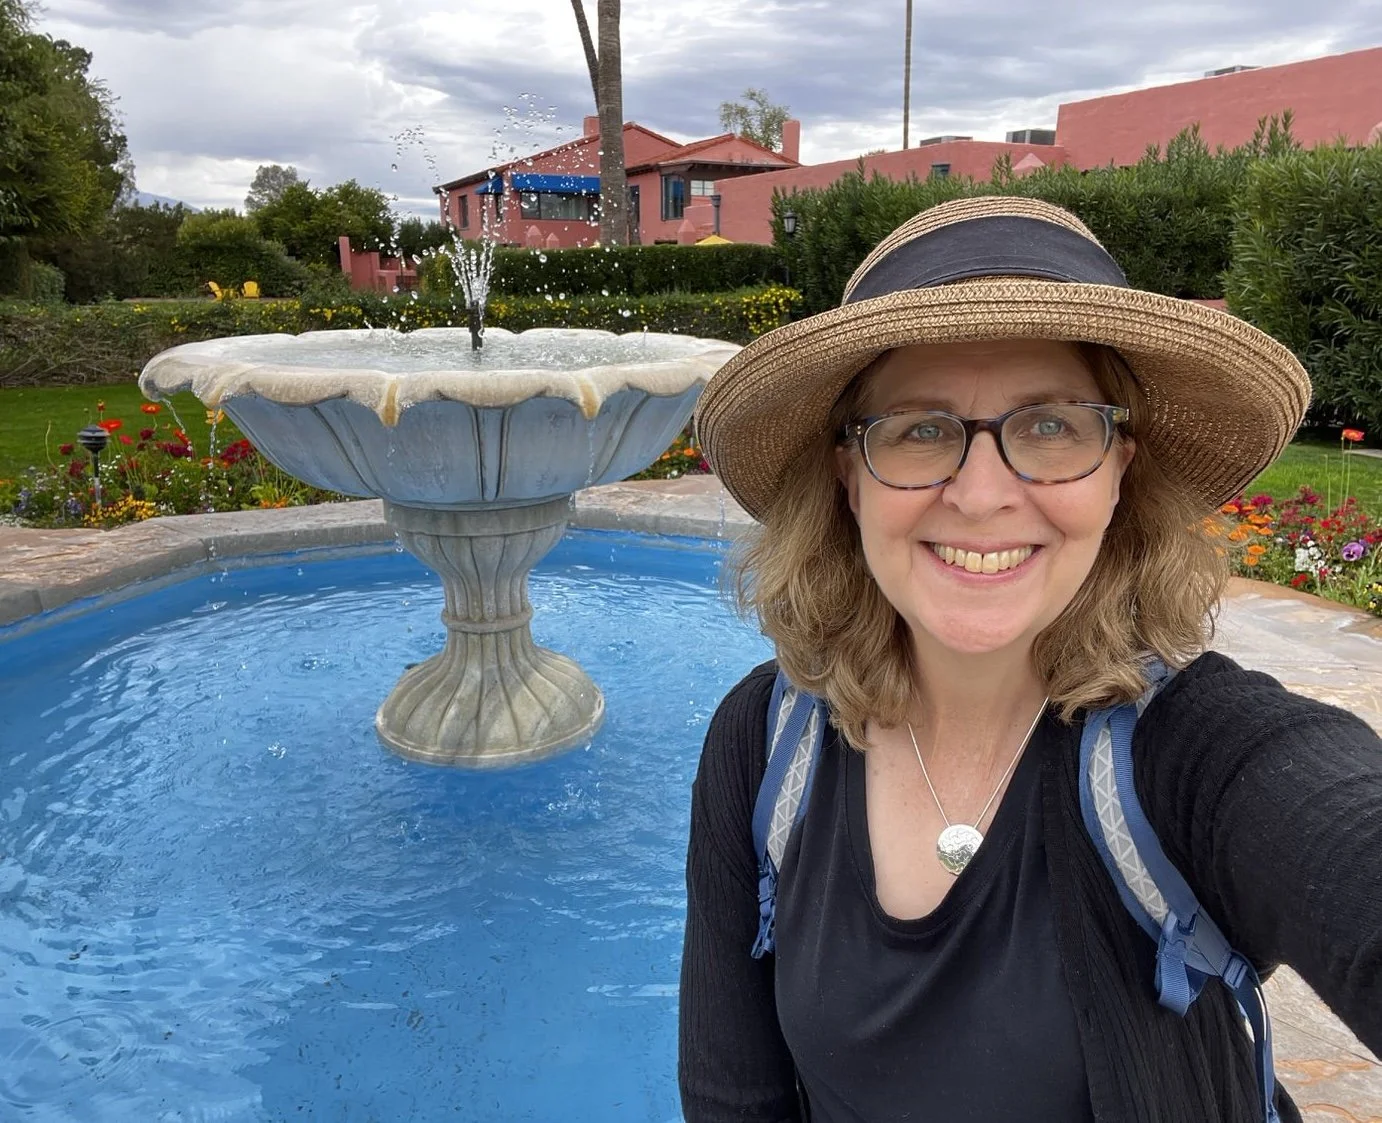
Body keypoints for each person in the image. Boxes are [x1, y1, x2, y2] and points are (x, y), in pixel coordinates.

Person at [679, 196, 1382, 1123]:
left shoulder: (1198, 754)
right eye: (920, 428)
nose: (980, 495)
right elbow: (736, 1100)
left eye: (1051, 426)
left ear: (1119, 465)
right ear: (848, 472)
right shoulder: (763, 742)